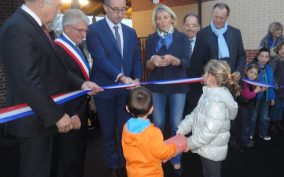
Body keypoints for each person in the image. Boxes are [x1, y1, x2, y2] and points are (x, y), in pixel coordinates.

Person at [0, 0, 102, 177]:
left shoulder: (36, 27)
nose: (57, 12)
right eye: (56, 6)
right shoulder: (17, 28)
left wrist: (81, 84)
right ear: (41, 3)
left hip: (44, 120)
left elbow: (56, 71)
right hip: (33, 122)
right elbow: (28, 81)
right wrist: (56, 115)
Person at [86, 0, 143, 176]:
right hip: (104, 90)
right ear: (105, 8)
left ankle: (126, 161)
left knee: (125, 129)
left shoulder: (131, 32)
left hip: (126, 91)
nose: (120, 14)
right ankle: (113, 166)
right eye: (116, 10)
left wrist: (137, 78)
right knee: (109, 130)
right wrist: (121, 77)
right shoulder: (94, 30)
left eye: (123, 10)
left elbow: (136, 59)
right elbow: (100, 59)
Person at [145, 4, 190, 174]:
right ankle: (158, 154)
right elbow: (147, 65)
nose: (162, 21)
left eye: (165, 17)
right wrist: (153, 60)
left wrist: (174, 60)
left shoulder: (182, 37)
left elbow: (187, 62)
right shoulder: (151, 38)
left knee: (176, 124)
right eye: (158, 18)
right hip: (157, 86)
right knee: (158, 123)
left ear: (172, 18)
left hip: (178, 86)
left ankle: (176, 157)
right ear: (155, 21)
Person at [177, 59, 239, 177]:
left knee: (212, 174)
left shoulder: (216, 103)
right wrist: (182, 129)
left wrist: (189, 144)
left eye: (204, 73)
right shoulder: (209, 94)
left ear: (211, 77)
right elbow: (195, 114)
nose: (202, 76)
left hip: (212, 150)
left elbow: (208, 133)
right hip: (206, 147)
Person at [52, 9, 92, 177]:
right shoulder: (57, 49)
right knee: (69, 157)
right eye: (80, 30)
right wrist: (71, 112)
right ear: (67, 28)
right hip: (70, 112)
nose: (84, 35)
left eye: (85, 31)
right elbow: (57, 84)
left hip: (81, 107)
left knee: (78, 153)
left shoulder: (77, 46)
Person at [188, 2, 246, 111]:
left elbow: (241, 55)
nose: (218, 20)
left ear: (227, 17)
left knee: (228, 113)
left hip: (230, 82)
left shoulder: (235, 33)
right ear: (212, 14)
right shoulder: (202, 34)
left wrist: (238, 71)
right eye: (216, 17)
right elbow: (197, 60)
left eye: (222, 18)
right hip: (210, 83)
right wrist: (203, 75)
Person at [121, 86, 187, 177]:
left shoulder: (126, 128)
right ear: (151, 109)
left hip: (132, 173)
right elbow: (162, 153)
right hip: (152, 174)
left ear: (127, 108)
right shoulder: (153, 133)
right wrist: (175, 147)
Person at [250, 48, 275, 141]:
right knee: (253, 116)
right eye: (262, 56)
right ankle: (250, 133)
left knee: (264, 117)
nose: (264, 58)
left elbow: (271, 84)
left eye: (266, 57)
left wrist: (272, 97)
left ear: (269, 59)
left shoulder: (269, 69)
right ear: (257, 57)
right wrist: (258, 87)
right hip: (255, 96)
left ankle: (263, 133)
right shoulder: (252, 67)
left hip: (266, 97)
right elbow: (249, 81)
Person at [269, 41, 284, 134]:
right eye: (281, 49)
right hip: (276, 88)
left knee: (281, 107)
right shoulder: (274, 61)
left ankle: (278, 122)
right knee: (275, 107)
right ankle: (272, 124)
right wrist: (275, 83)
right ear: (277, 50)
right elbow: (271, 74)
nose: (283, 51)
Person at [236, 64, 261, 148]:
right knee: (244, 125)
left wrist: (260, 89)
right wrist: (256, 91)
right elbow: (247, 95)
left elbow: (254, 91)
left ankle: (245, 139)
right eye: (251, 72)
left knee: (247, 124)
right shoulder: (243, 82)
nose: (252, 75)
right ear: (246, 72)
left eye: (255, 74)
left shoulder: (252, 83)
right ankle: (244, 142)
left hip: (249, 107)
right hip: (243, 108)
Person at [182, 13, 201, 114]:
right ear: (183, 26)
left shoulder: (205, 43)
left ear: (198, 27)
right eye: (188, 25)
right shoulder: (177, 42)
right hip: (180, 88)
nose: (190, 28)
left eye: (194, 26)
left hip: (198, 88)